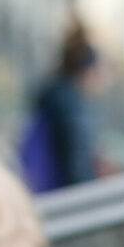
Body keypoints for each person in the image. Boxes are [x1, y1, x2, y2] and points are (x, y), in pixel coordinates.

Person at [22, 23, 107, 193]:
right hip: (60, 199)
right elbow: (77, 169)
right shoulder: (73, 110)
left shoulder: (56, 97)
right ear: (90, 72)